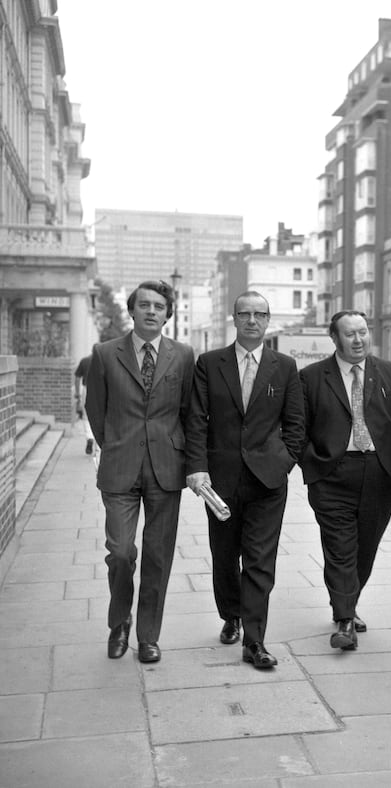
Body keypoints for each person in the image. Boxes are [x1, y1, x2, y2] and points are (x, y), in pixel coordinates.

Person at [185, 291, 304, 670]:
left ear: (269, 321)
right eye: (245, 314)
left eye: (260, 314)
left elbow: (296, 424)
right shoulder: (209, 363)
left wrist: (283, 462)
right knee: (225, 554)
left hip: (268, 481)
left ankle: (255, 640)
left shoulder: (284, 366)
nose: (252, 320)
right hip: (219, 480)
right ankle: (230, 613)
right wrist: (198, 468)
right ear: (233, 319)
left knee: (259, 560)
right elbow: (196, 419)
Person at [86, 280, 195, 663]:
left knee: (157, 555)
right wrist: (114, 444)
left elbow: (188, 412)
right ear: (132, 311)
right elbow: (96, 411)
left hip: (167, 467)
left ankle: (149, 635)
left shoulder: (183, 355)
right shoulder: (105, 353)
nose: (151, 311)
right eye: (144, 305)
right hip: (120, 469)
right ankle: (119, 623)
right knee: (120, 552)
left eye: (159, 306)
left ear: (168, 314)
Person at [299, 310, 391, 651]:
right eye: (350, 334)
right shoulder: (312, 377)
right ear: (334, 338)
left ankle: (348, 602)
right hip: (332, 474)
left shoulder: (388, 372)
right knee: (340, 548)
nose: (358, 340)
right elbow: (297, 428)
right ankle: (344, 619)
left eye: (363, 331)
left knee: (365, 547)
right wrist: (311, 465)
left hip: (379, 472)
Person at [74, 353, 95, 454]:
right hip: (101, 390)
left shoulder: (84, 361)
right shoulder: (105, 360)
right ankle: (99, 440)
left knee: (86, 416)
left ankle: (89, 438)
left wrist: (77, 393)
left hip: (87, 389)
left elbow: (77, 377)